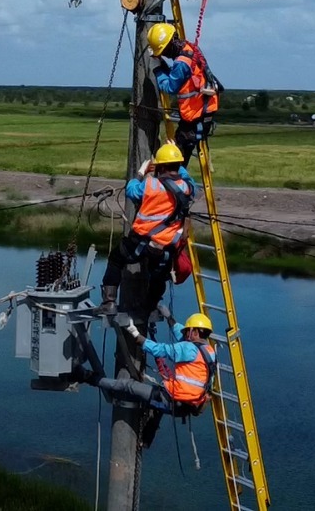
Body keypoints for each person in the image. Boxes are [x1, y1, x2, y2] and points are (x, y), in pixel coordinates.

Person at [90, 312, 219, 448]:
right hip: (189, 405)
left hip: (173, 400)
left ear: (194, 331)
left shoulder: (187, 348)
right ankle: (145, 441)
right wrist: (171, 320)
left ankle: (90, 378)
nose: (185, 335)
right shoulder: (209, 352)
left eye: (188, 331)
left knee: (127, 386)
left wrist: (137, 336)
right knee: (156, 407)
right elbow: (183, 339)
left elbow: (160, 350)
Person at [98, 142, 196, 316]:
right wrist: (177, 160)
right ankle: (149, 307)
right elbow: (189, 180)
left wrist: (141, 172)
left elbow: (132, 190)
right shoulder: (188, 188)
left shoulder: (151, 184)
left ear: (161, 166)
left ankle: (109, 302)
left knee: (116, 259)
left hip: (140, 241)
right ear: (178, 165)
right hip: (166, 247)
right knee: (159, 277)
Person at [147, 23, 221, 168]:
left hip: (195, 116)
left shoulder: (181, 63)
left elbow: (169, 87)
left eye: (163, 52)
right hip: (202, 112)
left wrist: (157, 69)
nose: (164, 55)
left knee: (175, 164)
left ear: (169, 46)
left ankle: (178, 188)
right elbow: (178, 78)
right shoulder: (189, 49)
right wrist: (162, 64)